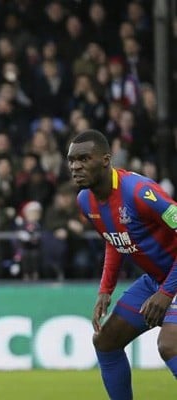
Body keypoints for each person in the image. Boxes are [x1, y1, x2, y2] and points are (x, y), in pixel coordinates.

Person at [67, 129, 177, 399]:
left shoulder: (140, 192)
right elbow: (114, 238)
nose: (75, 166)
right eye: (71, 160)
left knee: (170, 345)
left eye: (84, 159)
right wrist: (105, 289)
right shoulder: (85, 200)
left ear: (106, 160)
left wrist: (166, 292)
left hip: (170, 279)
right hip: (157, 280)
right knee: (106, 342)